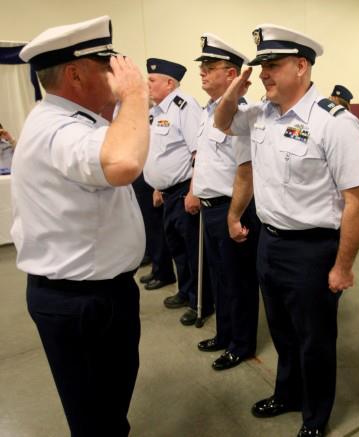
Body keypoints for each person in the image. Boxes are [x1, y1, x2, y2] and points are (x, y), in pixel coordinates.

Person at [214, 23, 359, 437]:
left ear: (301, 66)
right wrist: (238, 85)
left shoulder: (334, 123)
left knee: (314, 340)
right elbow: (221, 120)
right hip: (270, 242)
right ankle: (287, 394)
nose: (264, 72)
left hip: (314, 250)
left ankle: (315, 417)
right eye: (261, 64)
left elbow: (356, 201)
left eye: (273, 64)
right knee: (283, 332)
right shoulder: (261, 114)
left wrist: (343, 266)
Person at [12, 16, 149, 436]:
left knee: (107, 408)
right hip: (82, 302)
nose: (114, 72)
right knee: (96, 420)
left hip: (98, 292)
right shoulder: (59, 130)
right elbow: (124, 163)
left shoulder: (80, 121)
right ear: (74, 74)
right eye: (104, 64)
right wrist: (136, 93)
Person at [191, 33, 260, 371]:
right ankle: (224, 333)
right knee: (220, 278)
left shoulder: (241, 114)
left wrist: (234, 215)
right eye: (202, 68)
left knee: (239, 281)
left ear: (232, 74)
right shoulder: (208, 112)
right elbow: (203, 160)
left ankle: (241, 344)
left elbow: (245, 171)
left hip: (232, 209)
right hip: (210, 209)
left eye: (210, 67)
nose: (202, 73)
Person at [142, 57, 214, 326]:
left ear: (169, 83)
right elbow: (159, 152)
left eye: (152, 80)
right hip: (167, 192)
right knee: (177, 249)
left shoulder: (184, 106)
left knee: (194, 251)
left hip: (185, 190)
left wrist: (194, 191)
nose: (147, 84)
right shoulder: (156, 111)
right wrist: (158, 186)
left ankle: (201, 302)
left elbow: (199, 153)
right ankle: (185, 292)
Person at [132, 172, 176, 289]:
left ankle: (163, 273)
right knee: (150, 230)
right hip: (142, 180)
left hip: (149, 184)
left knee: (156, 230)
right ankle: (156, 269)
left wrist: (157, 189)